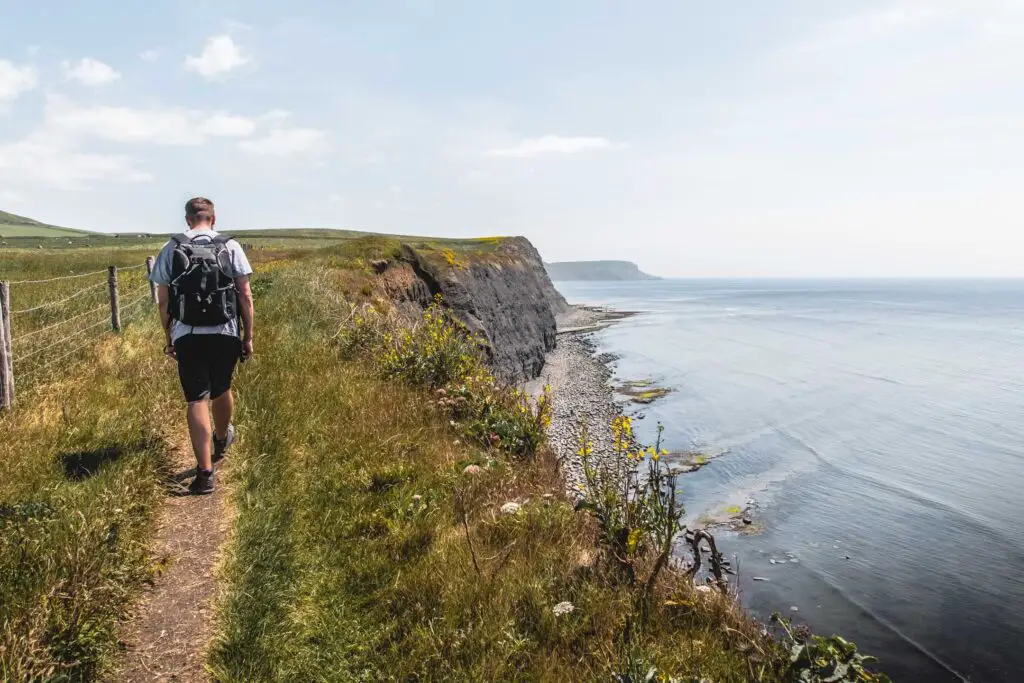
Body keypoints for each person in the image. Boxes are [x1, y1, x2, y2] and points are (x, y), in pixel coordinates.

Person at [149, 197, 254, 494]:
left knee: (196, 398)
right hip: (225, 331)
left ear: (187, 219)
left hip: (188, 333)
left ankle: (205, 474)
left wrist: (169, 336)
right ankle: (222, 438)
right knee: (222, 387)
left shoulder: (171, 248)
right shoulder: (230, 247)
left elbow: (164, 300)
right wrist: (247, 336)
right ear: (214, 218)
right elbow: (245, 296)